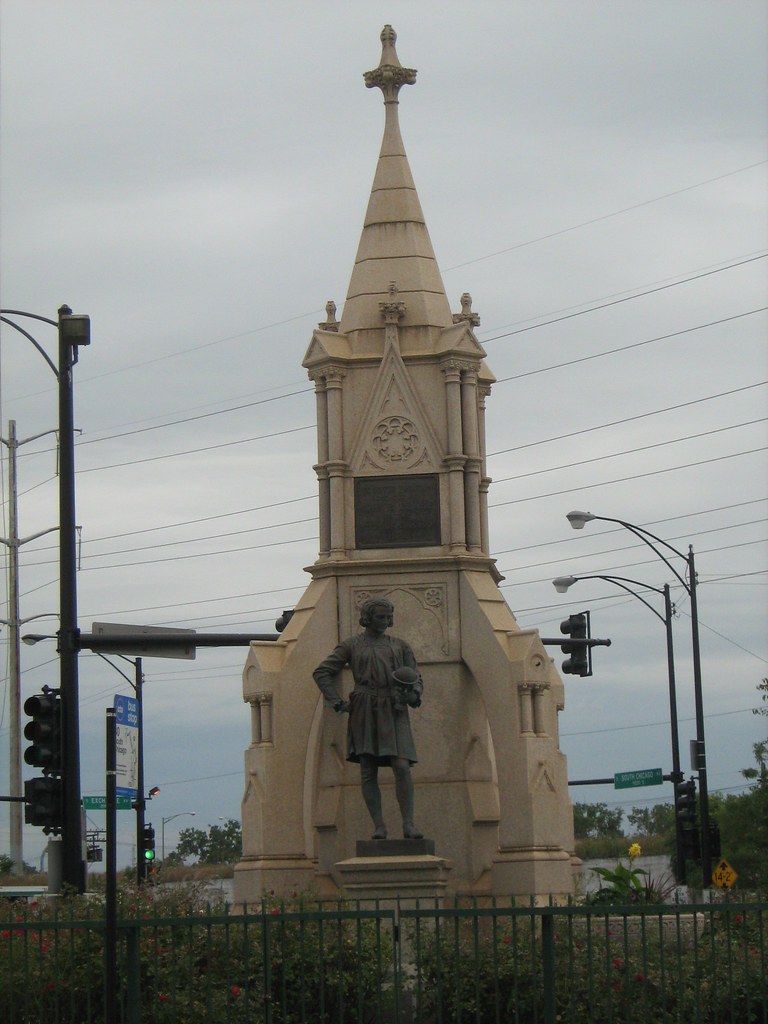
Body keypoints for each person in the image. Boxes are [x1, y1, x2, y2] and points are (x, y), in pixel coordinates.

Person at [313, 597, 424, 840]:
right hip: (364, 708)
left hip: (393, 708)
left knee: (402, 766)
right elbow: (322, 672)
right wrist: (338, 702)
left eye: (388, 617)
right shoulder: (352, 645)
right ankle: (379, 826)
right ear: (368, 618)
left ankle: (408, 824)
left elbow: (415, 677)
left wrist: (412, 695)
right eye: (380, 617)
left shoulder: (400, 646)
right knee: (368, 768)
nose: (385, 621)